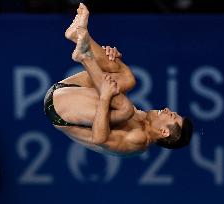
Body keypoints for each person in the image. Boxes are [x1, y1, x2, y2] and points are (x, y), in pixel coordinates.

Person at [44, 3, 193, 156]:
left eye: (172, 116)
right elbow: (111, 95)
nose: (168, 110)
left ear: (164, 131)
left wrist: (105, 97)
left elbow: (99, 139)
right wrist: (110, 61)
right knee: (127, 77)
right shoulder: (142, 118)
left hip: (59, 110)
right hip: (67, 90)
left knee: (125, 108)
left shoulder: (138, 140)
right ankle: (78, 36)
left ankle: (85, 56)